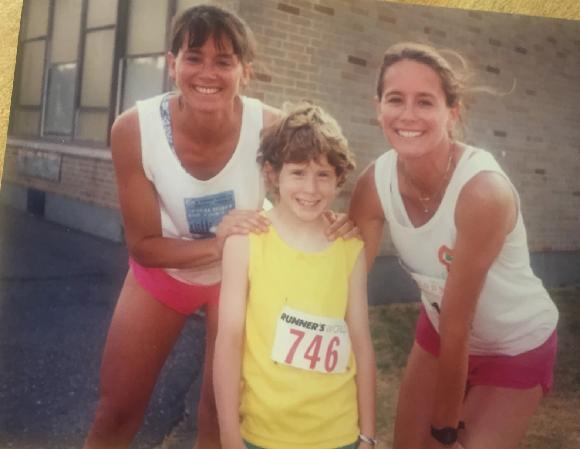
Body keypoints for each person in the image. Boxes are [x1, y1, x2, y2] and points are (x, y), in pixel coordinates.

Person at [83, 6, 351, 449]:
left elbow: (312, 177)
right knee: (116, 411)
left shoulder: (269, 126)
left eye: (224, 61)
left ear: (245, 71)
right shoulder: (134, 129)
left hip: (240, 279)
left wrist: (334, 220)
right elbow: (144, 246)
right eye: (194, 57)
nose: (208, 72)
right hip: (165, 274)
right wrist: (219, 243)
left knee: (219, 415)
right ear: (172, 65)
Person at [349, 42, 558, 449]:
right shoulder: (374, 184)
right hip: (438, 331)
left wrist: (446, 433)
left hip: (514, 345)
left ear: (452, 111)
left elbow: (460, 325)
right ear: (378, 108)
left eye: (425, 102)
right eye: (395, 99)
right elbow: (343, 284)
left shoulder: (482, 192)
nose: (408, 115)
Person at [213, 103, 377, 449]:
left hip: (337, 434)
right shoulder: (245, 242)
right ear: (273, 175)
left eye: (323, 175)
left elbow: (361, 343)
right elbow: (228, 341)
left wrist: (368, 434)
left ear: (339, 180)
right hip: (262, 433)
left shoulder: (350, 248)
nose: (311, 188)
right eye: (298, 172)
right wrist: (229, 436)